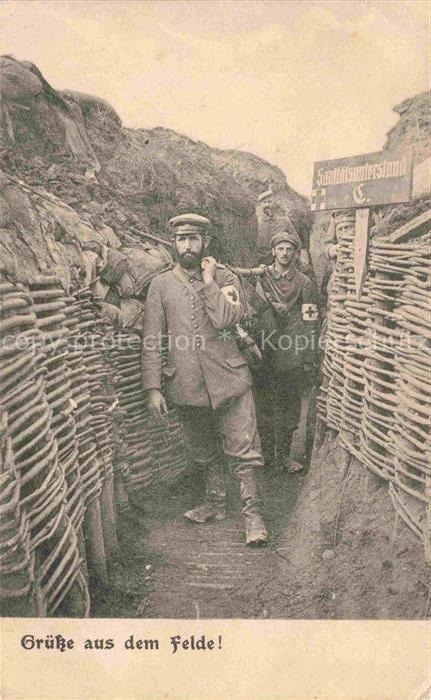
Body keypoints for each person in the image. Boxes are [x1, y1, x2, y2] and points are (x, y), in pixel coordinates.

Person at [141, 213, 268, 546]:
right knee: (202, 449)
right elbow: (153, 338)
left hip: (229, 378)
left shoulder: (225, 277)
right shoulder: (161, 285)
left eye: (194, 239)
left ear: (205, 243)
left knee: (242, 450)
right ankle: (214, 503)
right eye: (182, 239)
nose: (187, 245)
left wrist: (210, 281)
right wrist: (153, 387)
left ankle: (253, 516)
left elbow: (227, 317)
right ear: (174, 242)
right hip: (187, 383)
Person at [253, 231, 320, 472]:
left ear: (295, 253)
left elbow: (311, 319)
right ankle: (267, 456)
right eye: (280, 248)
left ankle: (284, 456)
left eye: (289, 249)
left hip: (291, 350)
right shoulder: (260, 277)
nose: (284, 253)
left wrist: (309, 354)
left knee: (290, 405)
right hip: (264, 348)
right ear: (273, 251)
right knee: (264, 404)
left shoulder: (304, 283)